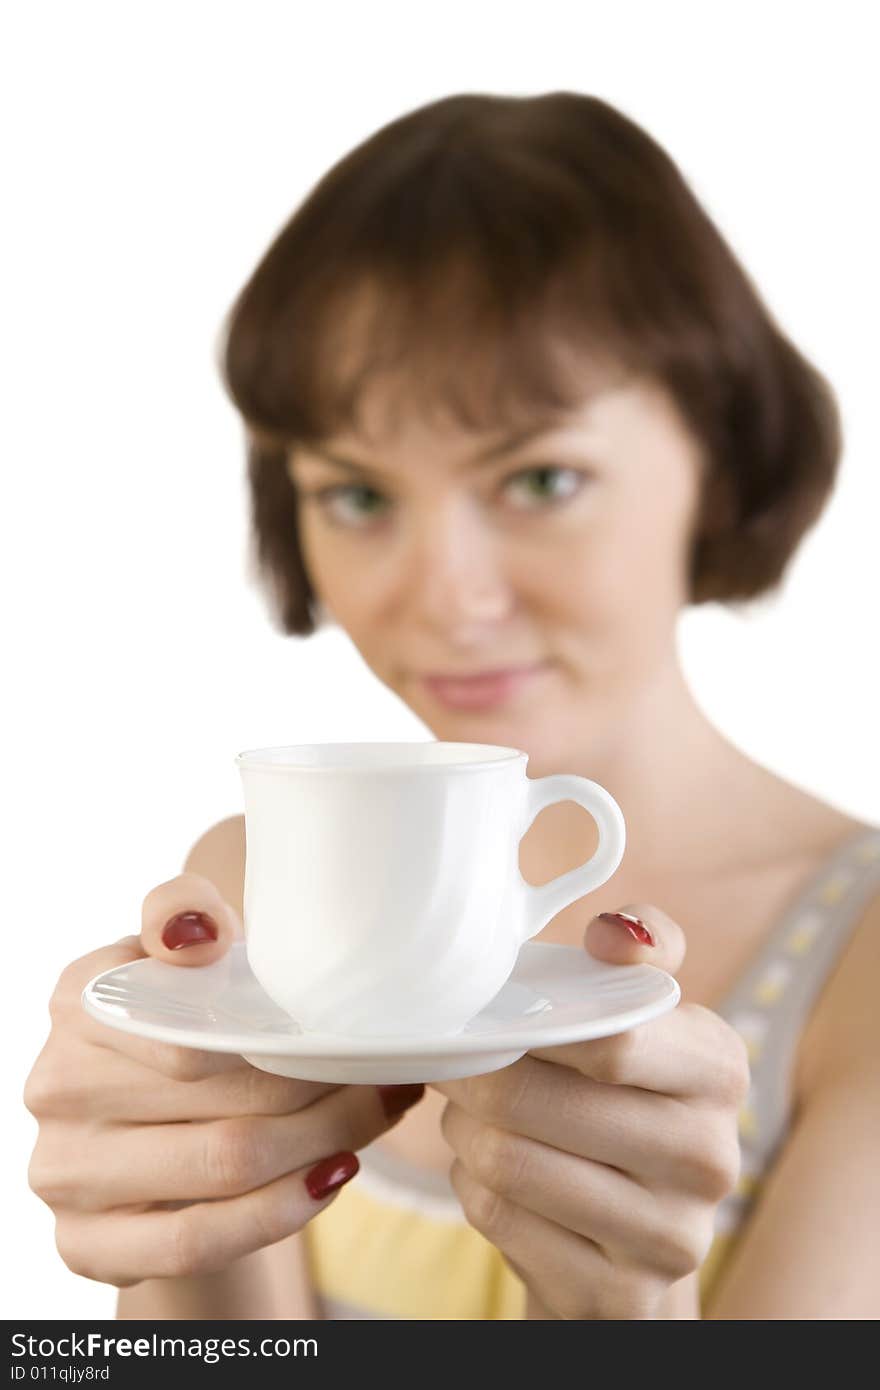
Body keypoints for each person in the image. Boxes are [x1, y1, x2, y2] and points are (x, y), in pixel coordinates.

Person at [24, 92, 880, 1321]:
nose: (446, 598)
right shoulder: (244, 901)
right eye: (358, 495)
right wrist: (178, 1237)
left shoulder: (854, 971)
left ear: (724, 454)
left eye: (539, 477)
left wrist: (622, 1317)